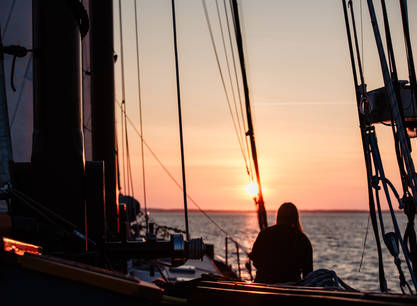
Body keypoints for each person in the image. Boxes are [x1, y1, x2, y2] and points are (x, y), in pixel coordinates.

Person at [249, 202, 313, 284]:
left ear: (278, 216)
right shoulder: (302, 239)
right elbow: (308, 273)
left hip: (263, 286)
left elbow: (255, 260)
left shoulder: (264, 234)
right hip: (291, 290)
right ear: (296, 217)